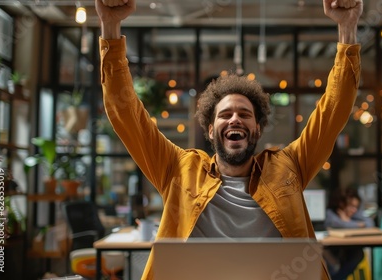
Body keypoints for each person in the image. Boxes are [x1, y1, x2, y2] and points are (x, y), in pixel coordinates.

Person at [94, 0, 363, 279]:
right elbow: (126, 116)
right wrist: (110, 27)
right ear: (210, 130)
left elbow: (333, 111)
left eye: (245, 114)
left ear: (257, 128)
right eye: (225, 115)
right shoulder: (178, 168)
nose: (235, 119)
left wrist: (347, 27)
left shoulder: (291, 165)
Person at [324, 187, 375, 280]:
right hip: (332, 252)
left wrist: (347, 221)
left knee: (358, 253)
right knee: (357, 254)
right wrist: (353, 224)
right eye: (351, 206)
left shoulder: (353, 214)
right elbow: (339, 224)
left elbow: (370, 223)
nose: (354, 210)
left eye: (356, 207)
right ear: (341, 203)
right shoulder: (331, 214)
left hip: (346, 251)